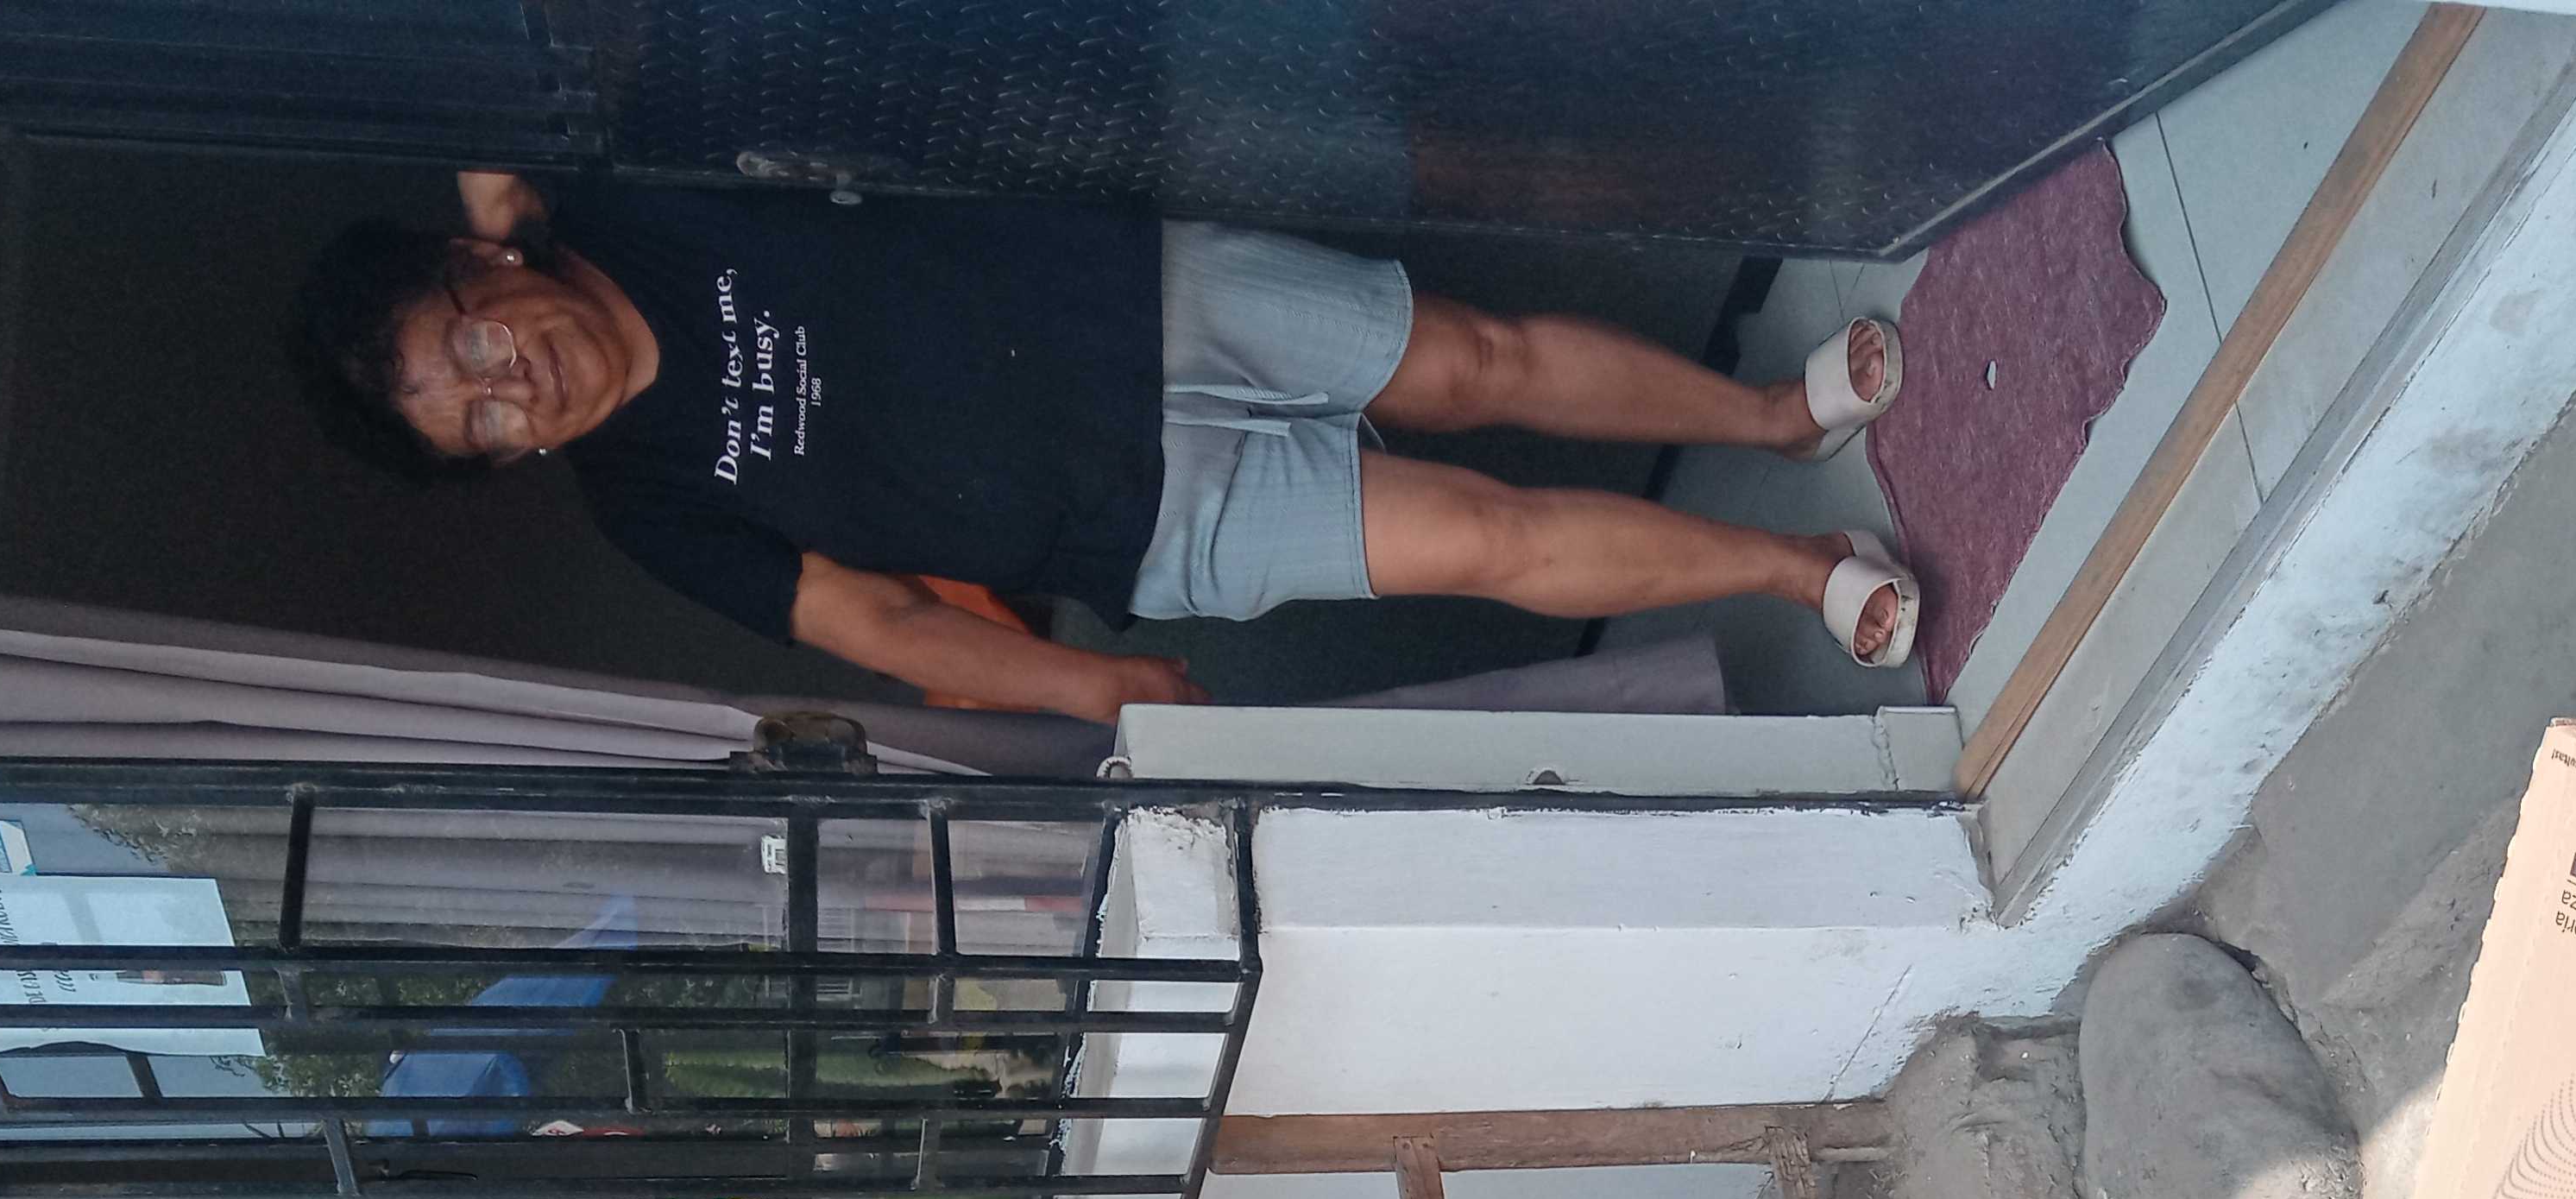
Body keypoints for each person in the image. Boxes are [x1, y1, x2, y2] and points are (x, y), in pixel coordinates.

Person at [287, 175, 1923, 723]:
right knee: (1483, 540)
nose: (514, 387)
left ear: (481, 264)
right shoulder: (645, 505)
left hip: (1120, 303)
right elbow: (876, 622)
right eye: (480, 422)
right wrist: (1090, 687)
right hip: (1144, 521)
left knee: (1472, 359)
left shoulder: (622, 201)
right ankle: (1796, 569)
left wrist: (506, 185)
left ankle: (1773, 417)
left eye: (473, 344)